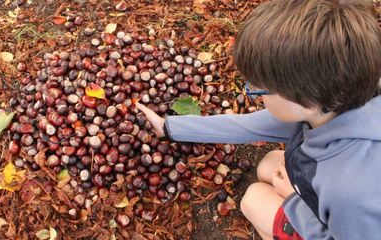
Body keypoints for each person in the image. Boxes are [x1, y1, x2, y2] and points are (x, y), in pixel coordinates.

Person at [135, 0, 381, 239]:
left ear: (307, 102)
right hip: (335, 198)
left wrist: (294, 201)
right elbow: (248, 125)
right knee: (269, 164)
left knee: (253, 199)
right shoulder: (334, 100)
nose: (251, 93)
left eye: (259, 89)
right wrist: (170, 127)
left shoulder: (349, 191)